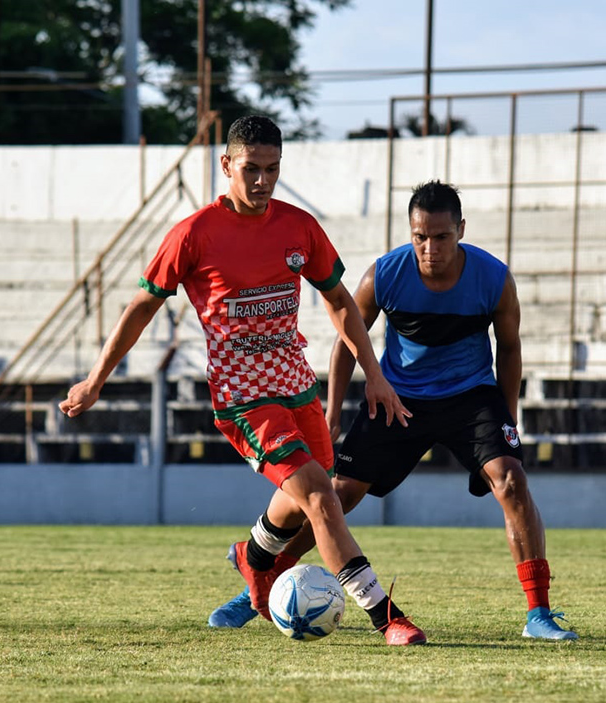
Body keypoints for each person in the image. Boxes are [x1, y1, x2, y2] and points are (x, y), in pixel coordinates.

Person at [60, 115, 426, 646]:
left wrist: (374, 375)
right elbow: (142, 306)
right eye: (250, 169)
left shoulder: (298, 226)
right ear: (227, 164)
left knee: (314, 497)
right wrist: (96, 381)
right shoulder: (193, 234)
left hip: (297, 384)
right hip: (243, 398)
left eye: (272, 170)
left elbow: (340, 301)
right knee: (323, 497)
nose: (261, 181)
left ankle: (252, 557)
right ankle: (385, 616)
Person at [210, 180, 578, 641]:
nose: (430, 247)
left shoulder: (494, 278)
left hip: (470, 397)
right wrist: (336, 410)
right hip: (397, 398)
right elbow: (347, 343)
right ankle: (259, 585)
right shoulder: (383, 275)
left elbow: (509, 348)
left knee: (511, 480)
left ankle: (538, 614)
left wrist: (509, 416)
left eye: (441, 236)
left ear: (461, 230)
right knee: (337, 495)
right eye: (420, 236)